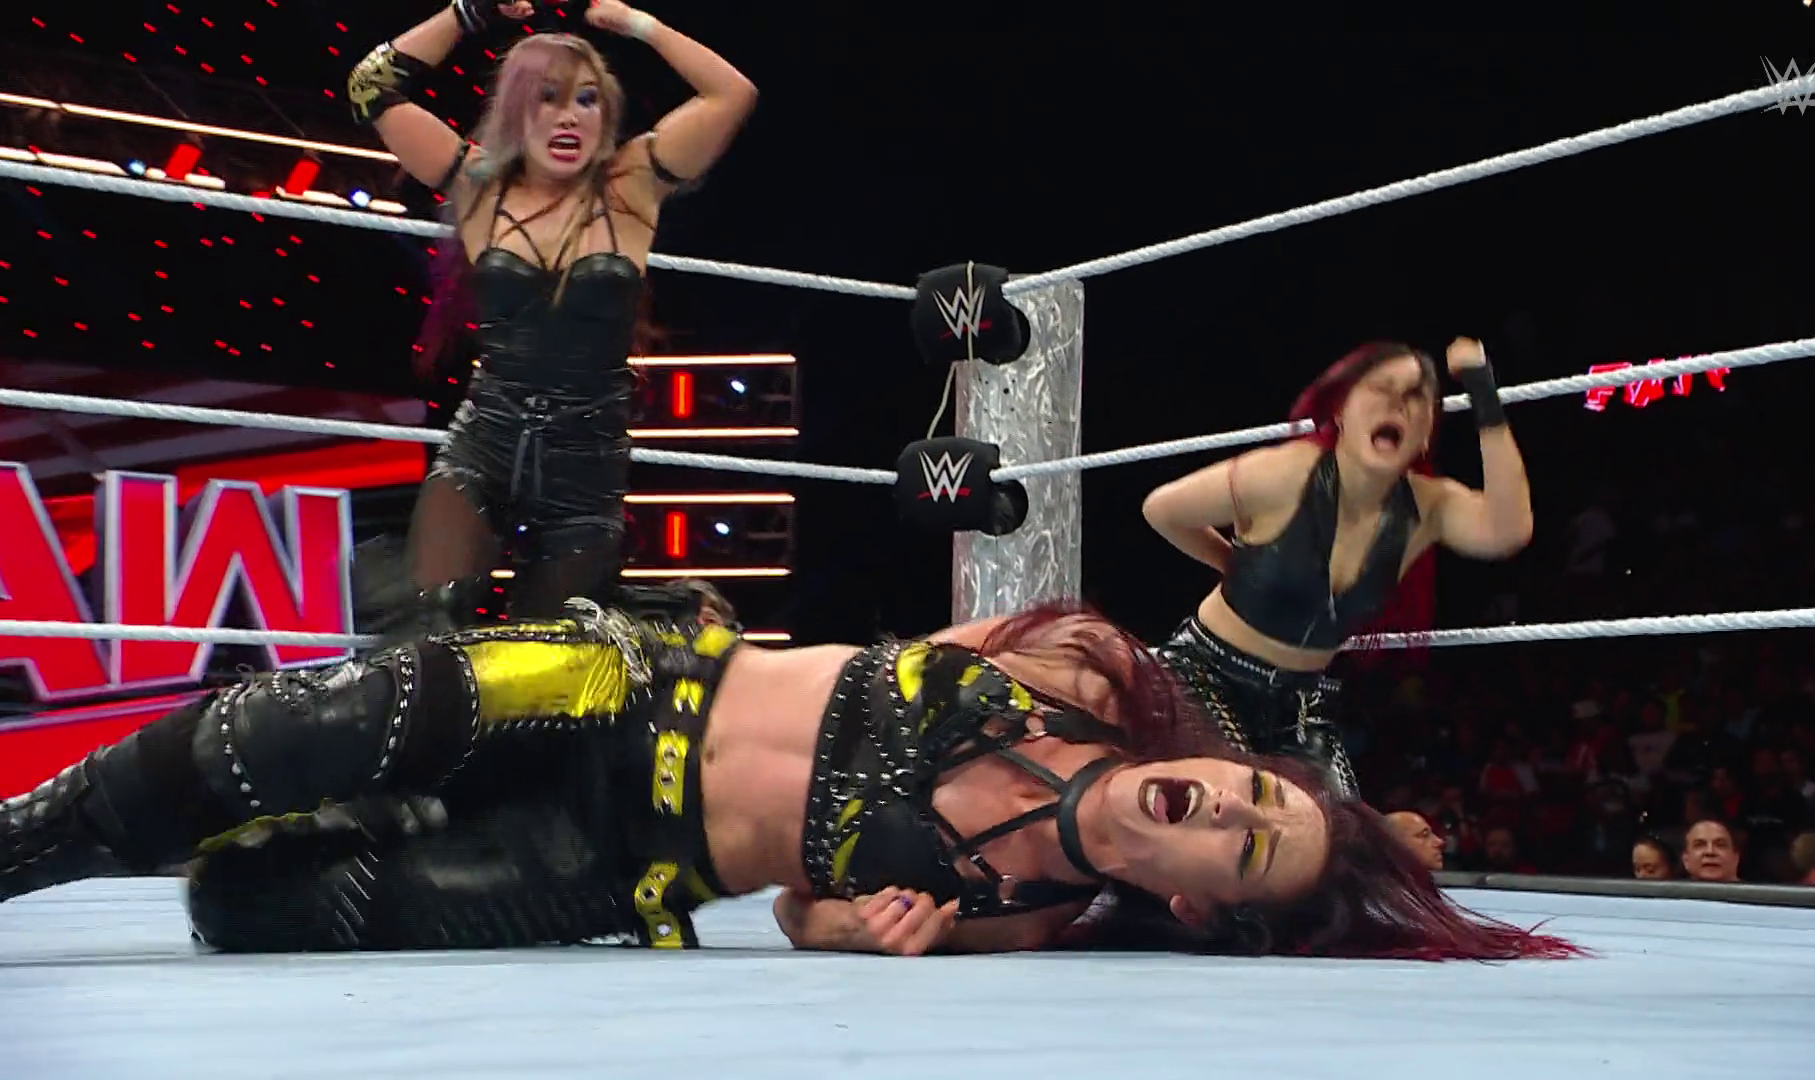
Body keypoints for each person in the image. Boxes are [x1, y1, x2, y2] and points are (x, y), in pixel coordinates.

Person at [0, 593, 1577, 962]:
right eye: (1258, 795)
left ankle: (381, 818)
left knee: (254, 905)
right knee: (258, 739)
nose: (1228, 809)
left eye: (1246, 851)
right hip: (626, 687)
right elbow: (881, 658)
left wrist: (850, 932)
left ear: (1195, 905)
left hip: (621, 862)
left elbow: (803, 911)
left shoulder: (1022, 915)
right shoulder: (1082, 670)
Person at [347, 0, 756, 635]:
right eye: (548, 97)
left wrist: (640, 26)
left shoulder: (633, 183)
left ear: (606, 115)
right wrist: (467, 13)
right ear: (517, 110)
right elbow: (370, 87)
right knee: (427, 629)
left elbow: (732, 93)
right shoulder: (479, 183)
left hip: (586, 465)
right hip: (485, 444)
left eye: (587, 100)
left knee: (551, 658)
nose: (569, 116)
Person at [1143, 338, 1533, 798]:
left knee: (1339, 830)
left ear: (1426, 433)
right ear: (1342, 412)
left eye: (1415, 397)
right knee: (1233, 810)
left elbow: (1507, 531)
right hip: (1207, 676)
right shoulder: (1286, 474)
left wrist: (1483, 392)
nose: (1397, 404)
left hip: (1301, 704)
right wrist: (1232, 562)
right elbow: (1163, 510)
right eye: (1382, 388)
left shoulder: (1428, 508)